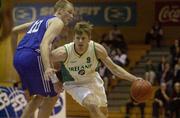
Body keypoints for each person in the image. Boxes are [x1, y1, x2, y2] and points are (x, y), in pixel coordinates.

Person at [50, 21, 142, 118]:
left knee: (103, 113)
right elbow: (44, 59)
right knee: (92, 105)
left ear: (89, 39)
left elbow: (114, 68)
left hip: (93, 80)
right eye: (78, 38)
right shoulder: (64, 52)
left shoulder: (97, 49)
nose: (80, 41)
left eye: (83, 38)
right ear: (74, 38)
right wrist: (55, 80)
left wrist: (134, 79)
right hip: (74, 84)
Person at [11, 0, 74, 118]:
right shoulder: (58, 22)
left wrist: (15, 54)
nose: (72, 16)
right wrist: (48, 69)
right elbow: (44, 45)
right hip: (33, 56)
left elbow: (14, 31)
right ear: (60, 11)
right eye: (69, 12)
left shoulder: (39, 21)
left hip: (19, 57)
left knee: (39, 96)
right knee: (53, 95)